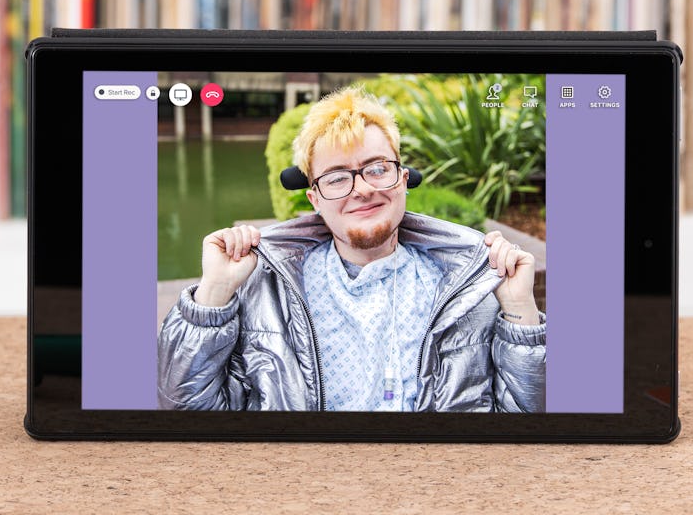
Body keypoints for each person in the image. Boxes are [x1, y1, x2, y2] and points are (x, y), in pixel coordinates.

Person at [157, 86, 545, 411]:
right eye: (338, 177)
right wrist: (213, 296)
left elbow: (528, 422)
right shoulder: (263, 290)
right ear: (314, 198)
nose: (362, 189)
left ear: (403, 179)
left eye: (377, 168)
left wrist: (521, 312)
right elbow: (187, 407)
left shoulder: (472, 287)